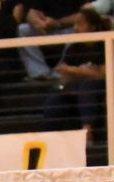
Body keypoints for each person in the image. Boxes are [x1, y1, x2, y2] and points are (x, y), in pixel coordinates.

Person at [42, 8, 108, 141]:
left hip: (100, 87)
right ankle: (50, 139)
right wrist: (86, 70)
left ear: (93, 27)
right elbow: (62, 69)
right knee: (56, 94)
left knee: (87, 86)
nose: (76, 28)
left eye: (80, 24)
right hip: (75, 85)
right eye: (75, 24)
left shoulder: (105, 44)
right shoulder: (73, 47)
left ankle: (87, 132)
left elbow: (104, 73)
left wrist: (75, 70)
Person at [17, 0, 82, 79]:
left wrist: (58, 23)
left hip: (69, 28)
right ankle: (39, 73)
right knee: (23, 29)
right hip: (46, 27)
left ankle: (61, 72)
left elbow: (85, 14)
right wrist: (37, 21)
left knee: (78, 30)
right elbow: (31, 12)